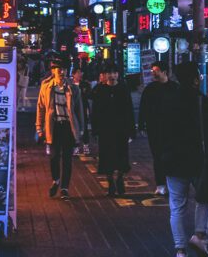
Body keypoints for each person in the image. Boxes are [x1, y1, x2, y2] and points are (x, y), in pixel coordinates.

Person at [160, 60, 208, 257]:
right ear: (195, 79)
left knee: (176, 206)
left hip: (172, 160)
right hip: (198, 160)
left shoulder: (168, 101)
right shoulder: (204, 102)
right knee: (205, 197)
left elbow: (159, 132)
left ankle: (180, 249)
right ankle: (199, 235)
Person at [36, 60, 85, 200]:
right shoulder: (46, 86)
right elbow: (40, 107)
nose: (61, 72)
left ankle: (64, 188)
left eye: (63, 69)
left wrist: (81, 130)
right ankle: (55, 180)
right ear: (53, 71)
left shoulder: (73, 88)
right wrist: (39, 127)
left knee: (67, 159)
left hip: (69, 126)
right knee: (54, 156)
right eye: (58, 69)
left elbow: (79, 110)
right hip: (54, 126)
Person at [90, 67, 136, 197]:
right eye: (109, 73)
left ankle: (120, 178)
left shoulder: (123, 89)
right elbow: (96, 112)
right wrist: (95, 130)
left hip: (121, 129)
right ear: (104, 75)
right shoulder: (100, 90)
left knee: (122, 155)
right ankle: (110, 181)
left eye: (114, 73)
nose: (112, 75)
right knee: (106, 156)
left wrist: (131, 130)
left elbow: (129, 110)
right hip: (105, 129)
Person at [140, 62, 180, 196]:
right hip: (154, 128)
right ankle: (160, 184)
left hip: (172, 128)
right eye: (152, 70)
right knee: (157, 156)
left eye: (156, 70)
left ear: (164, 72)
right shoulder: (150, 89)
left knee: (171, 156)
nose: (153, 73)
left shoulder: (175, 88)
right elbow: (143, 108)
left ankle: (170, 182)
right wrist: (142, 124)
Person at [72, 67, 93, 155]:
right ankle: (76, 146)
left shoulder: (85, 84)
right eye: (78, 72)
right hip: (73, 109)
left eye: (81, 72)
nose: (80, 74)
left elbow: (89, 95)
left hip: (83, 108)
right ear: (73, 74)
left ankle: (85, 146)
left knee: (84, 127)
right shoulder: (70, 84)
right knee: (73, 127)